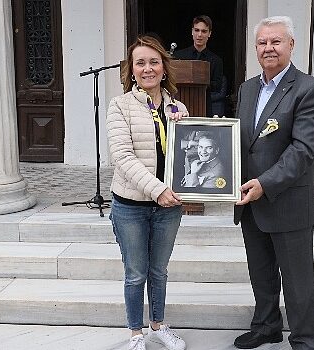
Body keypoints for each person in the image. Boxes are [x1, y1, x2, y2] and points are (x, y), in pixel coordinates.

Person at [233, 16, 314, 350]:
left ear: (291, 44)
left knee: (297, 280)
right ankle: (266, 327)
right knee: (261, 273)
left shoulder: (310, 89)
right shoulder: (247, 89)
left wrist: (264, 182)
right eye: (262, 42)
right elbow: (242, 142)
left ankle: (304, 340)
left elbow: (303, 150)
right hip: (250, 201)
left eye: (276, 41)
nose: (268, 48)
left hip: (287, 200)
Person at [106, 35, 189, 350]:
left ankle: (158, 325)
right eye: (140, 62)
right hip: (131, 206)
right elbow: (123, 158)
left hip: (168, 207)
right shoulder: (120, 105)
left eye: (154, 62)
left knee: (159, 270)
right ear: (132, 69)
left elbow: (189, 153)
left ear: (164, 68)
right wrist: (158, 190)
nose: (148, 68)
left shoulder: (177, 107)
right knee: (135, 272)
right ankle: (136, 334)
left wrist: (188, 127)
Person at [173, 15, 224, 116]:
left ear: (209, 34)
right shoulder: (179, 56)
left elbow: (217, 86)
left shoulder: (216, 60)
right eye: (197, 30)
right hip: (180, 106)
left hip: (204, 107)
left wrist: (200, 81)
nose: (199, 34)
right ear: (192, 31)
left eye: (204, 31)